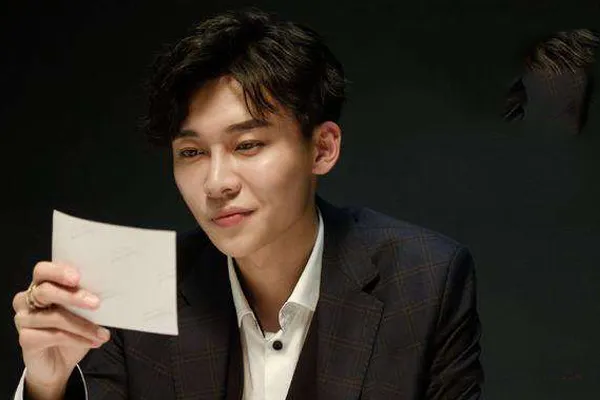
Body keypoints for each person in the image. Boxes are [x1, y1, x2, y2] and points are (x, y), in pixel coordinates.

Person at [12, 8, 483, 400]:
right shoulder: (136, 285)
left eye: (248, 145)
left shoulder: (424, 280)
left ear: (322, 149)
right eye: (191, 153)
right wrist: (47, 385)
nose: (216, 183)